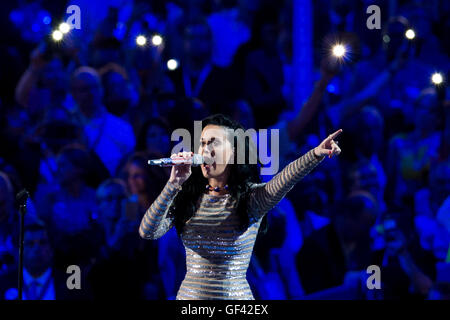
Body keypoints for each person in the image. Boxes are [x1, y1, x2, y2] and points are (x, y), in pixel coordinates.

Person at [139, 114, 342, 300]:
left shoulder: (251, 198)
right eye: (202, 143)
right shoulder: (186, 200)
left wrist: (315, 154)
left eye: (214, 143)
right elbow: (148, 230)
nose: (206, 150)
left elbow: (286, 178)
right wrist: (173, 183)